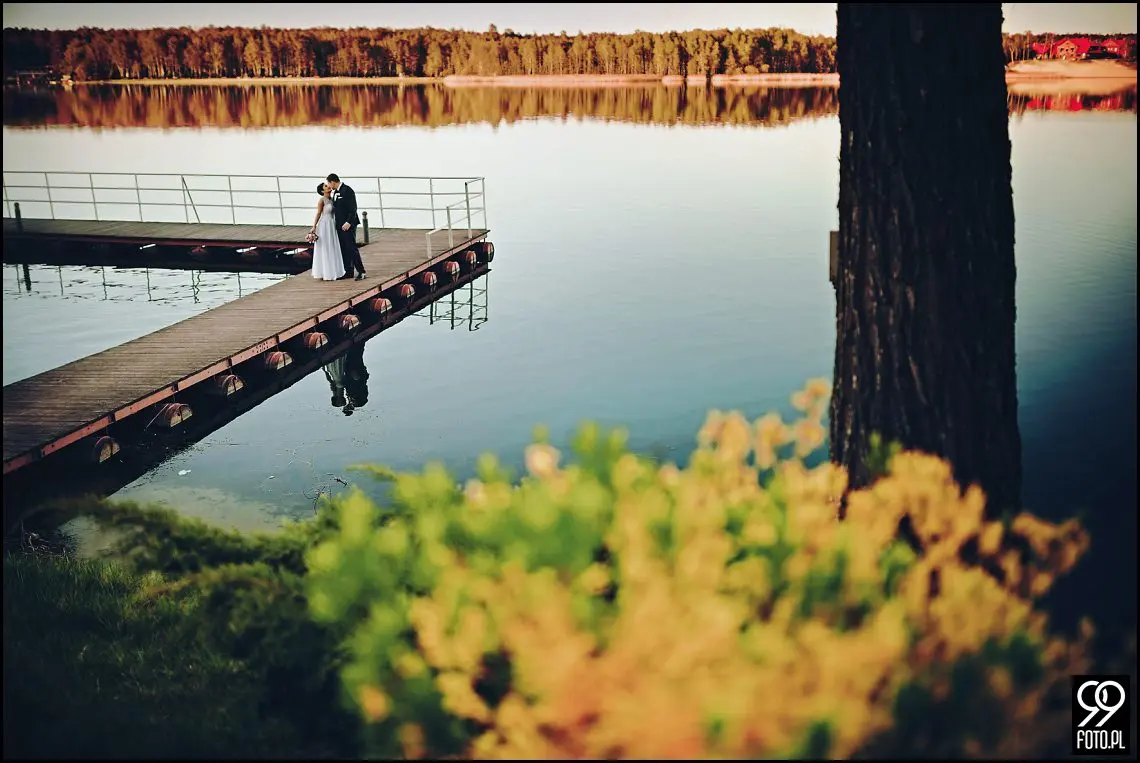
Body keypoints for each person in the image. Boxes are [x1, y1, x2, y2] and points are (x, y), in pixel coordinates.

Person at [326, 173, 366, 281]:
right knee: (344, 248)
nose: (329, 186)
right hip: (339, 225)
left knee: (351, 247)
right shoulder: (335, 192)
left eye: (329, 183)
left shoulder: (347, 190)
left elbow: (353, 208)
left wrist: (349, 222)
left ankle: (361, 271)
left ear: (333, 182)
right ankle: (348, 271)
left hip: (348, 224)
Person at [308, 182, 346, 281]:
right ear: (322, 191)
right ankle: (326, 272)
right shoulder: (322, 200)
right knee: (326, 247)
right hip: (325, 225)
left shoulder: (332, 198)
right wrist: (314, 226)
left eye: (327, 184)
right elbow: (318, 213)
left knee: (333, 246)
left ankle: (335, 271)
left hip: (332, 224)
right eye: (325, 186)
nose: (328, 186)